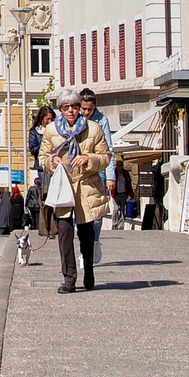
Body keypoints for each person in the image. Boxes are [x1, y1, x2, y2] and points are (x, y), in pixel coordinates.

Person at [38, 89, 111, 292]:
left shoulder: (94, 129)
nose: (71, 111)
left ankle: (88, 270)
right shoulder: (52, 130)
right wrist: (52, 162)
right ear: (61, 109)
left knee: (87, 234)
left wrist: (89, 158)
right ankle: (69, 278)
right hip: (63, 187)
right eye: (66, 107)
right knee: (64, 233)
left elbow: (106, 157)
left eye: (75, 107)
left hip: (86, 186)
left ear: (80, 108)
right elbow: (42, 158)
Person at [79, 89, 116, 262]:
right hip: (79, 172)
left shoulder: (102, 121)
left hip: (99, 170)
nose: (86, 113)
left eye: (89, 109)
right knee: (78, 213)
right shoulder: (74, 121)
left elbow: (109, 149)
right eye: (83, 109)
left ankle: (94, 241)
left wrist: (111, 177)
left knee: (98, 212)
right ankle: (82, 247)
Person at [27, 106, 55, 196]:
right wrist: (44, 142)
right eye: (48, 119)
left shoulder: (56, 131)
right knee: (48, 192)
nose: (50, 122)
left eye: (52, 119)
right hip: (43, 167)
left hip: (56, 163)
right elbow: (33, 149)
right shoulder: (34, 132)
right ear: (42, 119)